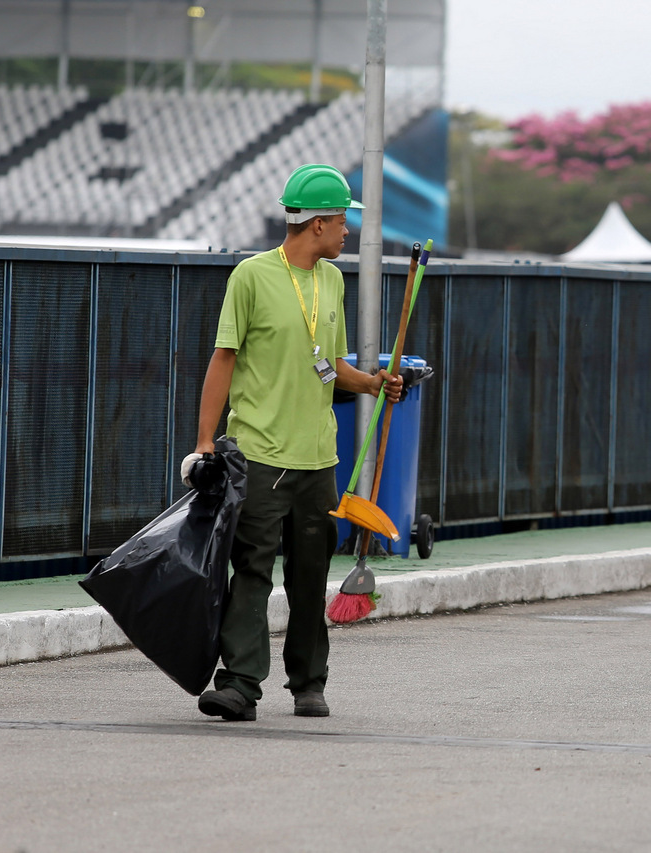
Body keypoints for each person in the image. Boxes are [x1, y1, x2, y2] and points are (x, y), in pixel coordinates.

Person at [189, 163, 404, 721]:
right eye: (342, 222)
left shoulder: (331, 281)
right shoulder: (251, 277)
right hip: (258, 454)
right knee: (252, 571)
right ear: (317, 225)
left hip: (318, 459)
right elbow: (223, 359)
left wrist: (374, 383)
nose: (347, 231)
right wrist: (206, 443)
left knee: (309, 573)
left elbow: (329, 368)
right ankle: (239, 684)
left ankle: (309, 682)